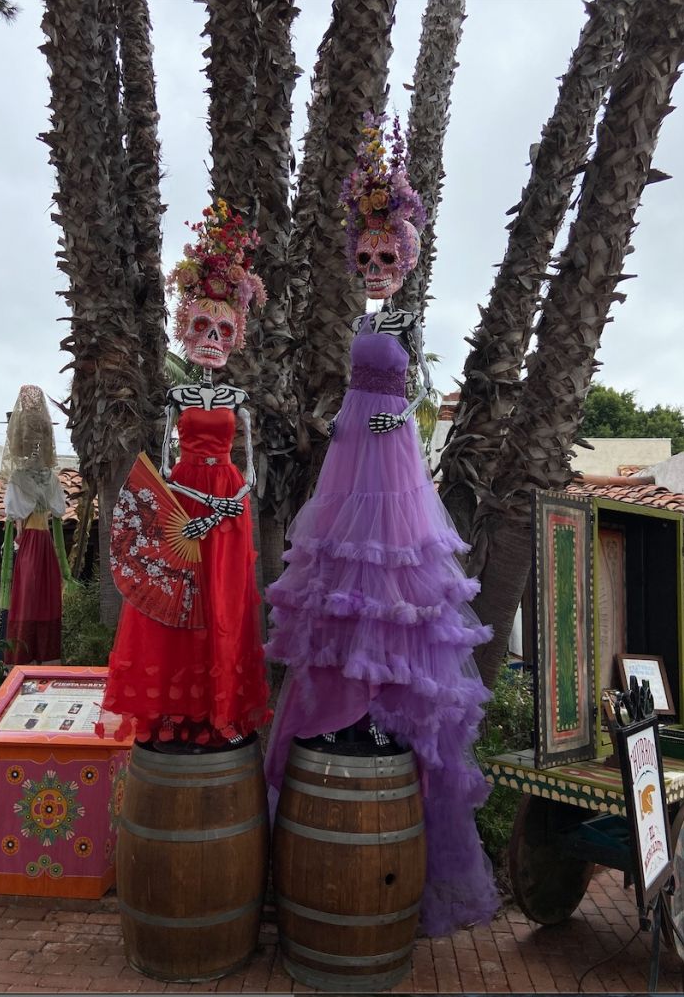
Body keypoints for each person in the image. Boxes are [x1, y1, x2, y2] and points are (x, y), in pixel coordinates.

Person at [264, 115, 499, 936]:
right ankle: (345, 712)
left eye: (385, 259)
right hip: (353, 455)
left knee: (393, 577)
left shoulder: (399, 324)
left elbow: (416, 392)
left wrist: (389, 421)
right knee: (347, 579)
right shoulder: (366, 324)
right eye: (364, 259)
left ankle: (380, 714)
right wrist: (347, 421)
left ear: (405, 259)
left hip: (389, 459)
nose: (373, 270)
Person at [98, 200, 271, 749]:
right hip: (184, 502)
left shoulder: (239, 400)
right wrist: (194, 503)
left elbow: (251, 470)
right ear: (187, 331)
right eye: (202, 326)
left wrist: (228, 503)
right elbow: (163, 463)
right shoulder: (176, 398)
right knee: (176, 602)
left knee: (222, 603)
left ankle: (220, 711)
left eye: (223, 329)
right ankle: (175, 711)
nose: (212, 337)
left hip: (227, 504)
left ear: (235, 335)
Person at [0, 385, 73, 667]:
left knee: (30, 597)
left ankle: (26, 657)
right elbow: (58, 509)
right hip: (41, 542)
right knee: (40, 597)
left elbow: (15, 512)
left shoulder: (20, 479)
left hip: (32, 542)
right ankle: (40, 657)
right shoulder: (48, 479)